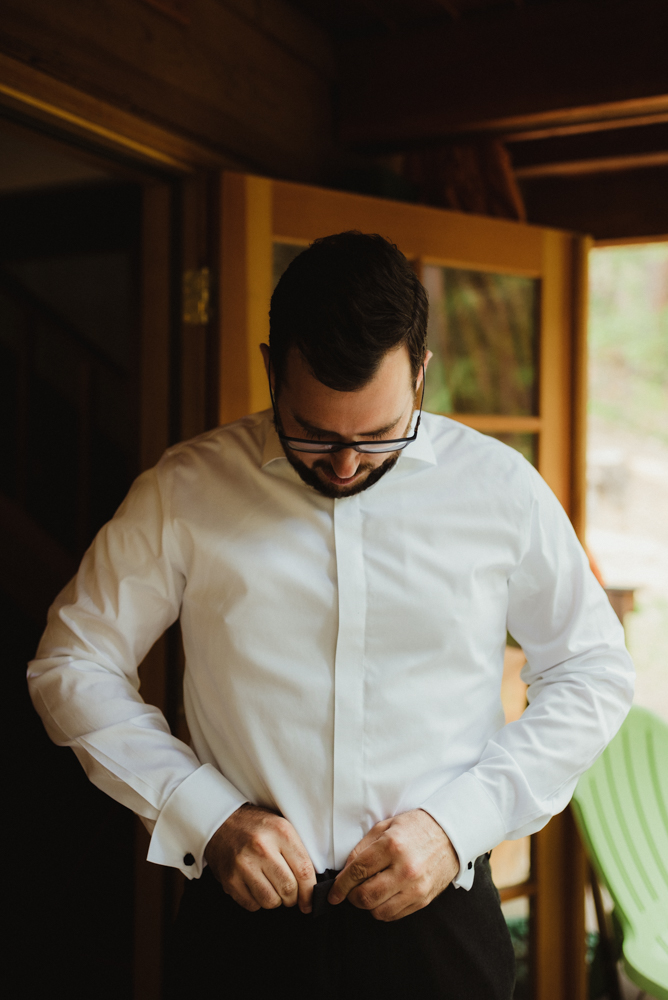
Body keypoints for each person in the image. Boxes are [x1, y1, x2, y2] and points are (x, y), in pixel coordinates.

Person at [28, 232, 633, 999]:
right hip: (241, 930)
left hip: (439, 926)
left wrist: (458, 825)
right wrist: (202, 813)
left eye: (379, 436)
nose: (346, 465)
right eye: (314, 432)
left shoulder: (502, 491)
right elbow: (70, 662)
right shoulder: (186, 490)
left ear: (420, 372)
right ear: (270, 367)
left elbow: (593, 669)